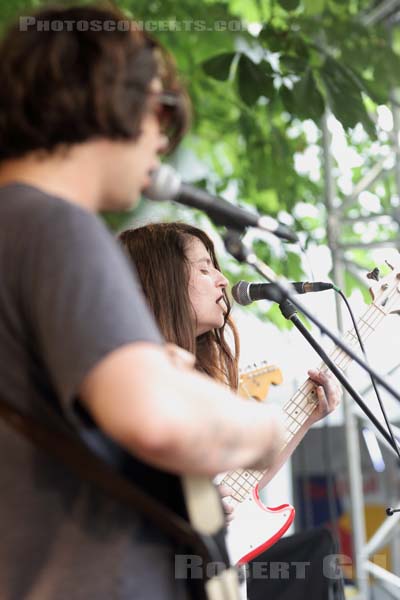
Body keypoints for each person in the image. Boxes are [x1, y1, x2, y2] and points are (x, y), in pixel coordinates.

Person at [0, 5, 294, 600]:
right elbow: (155, 420)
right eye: (162, 107)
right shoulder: (57, 227)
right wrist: (262, 427)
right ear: (103, 95)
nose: (165, 134)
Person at [119, 222, 342, 520]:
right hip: (150, 558)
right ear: (161, 281)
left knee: (315, 550)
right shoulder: (131, 377)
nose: (223, 280)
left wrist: (307, 417)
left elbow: (236, 490)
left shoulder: (197, 375)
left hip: (194, 558)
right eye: (204, 269)